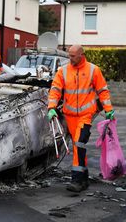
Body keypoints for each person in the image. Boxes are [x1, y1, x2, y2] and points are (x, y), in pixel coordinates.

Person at [47, 45, 115, 192]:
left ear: (81, 55)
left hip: (85, 115)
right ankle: (84, 178)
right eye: (69, 55)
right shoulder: (63, 71)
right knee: (79, 148)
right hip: (69, 116)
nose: (69, 59)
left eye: (72, 56)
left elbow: (103, 91)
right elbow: (55, 90)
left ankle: (76, 180)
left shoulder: (93, 70)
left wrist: (108, 110)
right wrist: (51, 107)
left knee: (78, 144)